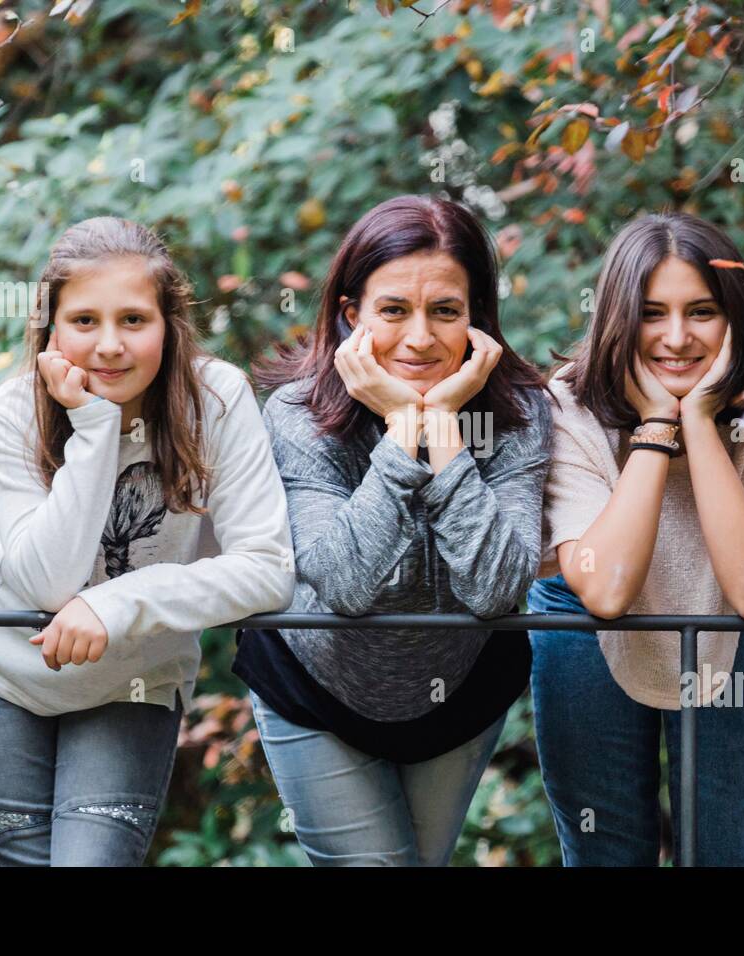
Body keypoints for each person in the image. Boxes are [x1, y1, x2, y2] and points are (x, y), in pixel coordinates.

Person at [0, 216, 295, 866]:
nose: (109, 345)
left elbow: (267, 569)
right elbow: (47, 583)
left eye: (134, 320)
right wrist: (95, 426)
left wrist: (114, 605)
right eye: (84, 321)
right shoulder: (15, 410)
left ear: (170, 324)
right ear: (51, 328)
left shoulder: (215, 402)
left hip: (131, 680)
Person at [234, 195, 553, 866]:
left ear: (477, 321)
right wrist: (403, 431)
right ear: (351, 316)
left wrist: (441, 430)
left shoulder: (519, 413)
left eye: (445, 311)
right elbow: (346, 586)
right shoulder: (296, 415)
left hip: (459, 693)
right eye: (392, 311)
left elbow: (496, 588)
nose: (419, 338)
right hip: (316, 688)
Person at [529, 211, 744, 866]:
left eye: (702, 312)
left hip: (739, 616)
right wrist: (659, 424)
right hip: (586, 616)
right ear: (617, 317)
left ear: (735, 315)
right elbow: (602, 587)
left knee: (718, 851)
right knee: (606, 852)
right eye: (652, 313)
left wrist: (699, 416)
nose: (678, 338)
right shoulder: (568, 402)